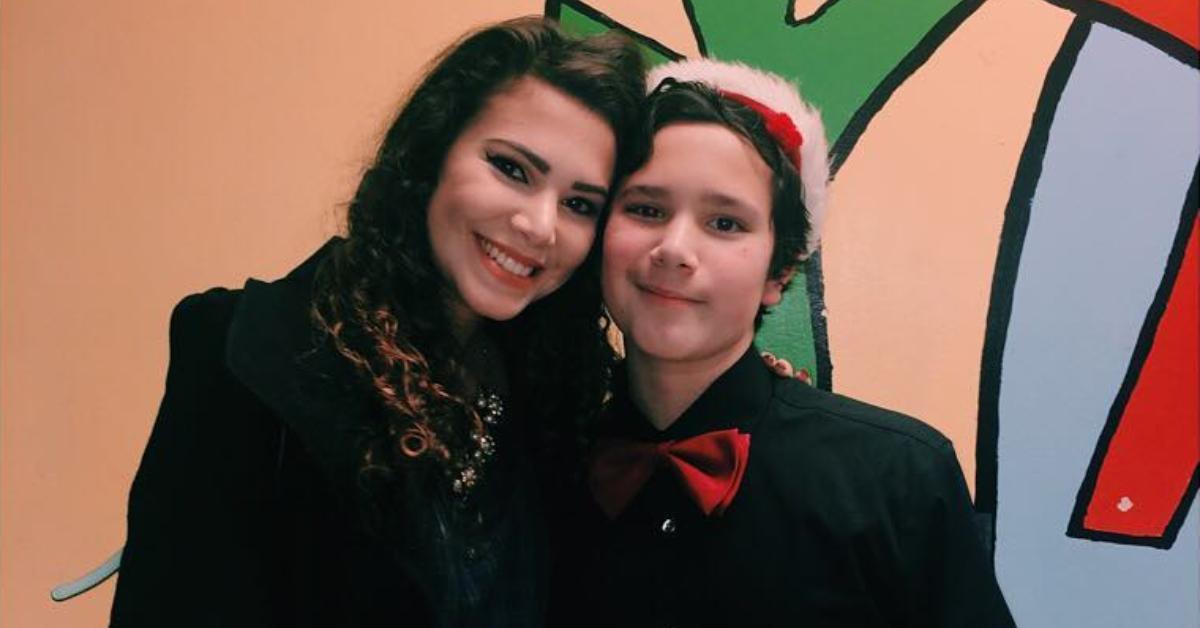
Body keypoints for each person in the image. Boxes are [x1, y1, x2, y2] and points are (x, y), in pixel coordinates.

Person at [110, 17, 643, 628]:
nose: (540, 225)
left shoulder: (553, 400)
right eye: (512, 169)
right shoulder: (246, 352)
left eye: (579, 205)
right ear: (433, 152)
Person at [566, 59, 1015, 627]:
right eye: (646, 209)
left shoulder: (898, 475)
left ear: (779, 273)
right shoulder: (546, 467)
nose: (675, 248)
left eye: (725, 223)